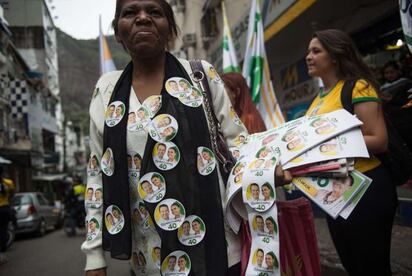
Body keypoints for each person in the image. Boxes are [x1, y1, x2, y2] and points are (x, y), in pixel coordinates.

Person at [82, 1, 291, 275]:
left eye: (154, 12)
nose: (143, 18)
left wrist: (264, 171)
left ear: (170, 28)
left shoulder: (200, 75)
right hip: (149, 258)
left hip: (218, 247)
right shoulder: (106, 90)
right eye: (130, 12)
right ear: (118, 32)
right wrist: (94, 255)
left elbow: (238, 142)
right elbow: (97, 172)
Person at [305, 29, 397, 275]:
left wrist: (328, 142)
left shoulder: (358, 87)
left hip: (366, 190)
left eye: (316, 51)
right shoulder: (318, 99)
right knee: (353, 267)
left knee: (372, 268)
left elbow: (379, 139)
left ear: (335, 55)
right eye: (308, 51)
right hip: (335, 196)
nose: (308, 57)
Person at [0, 167, 14, 265]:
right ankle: (1, 255)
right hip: (4, 209)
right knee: (3, 231)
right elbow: (12, 194)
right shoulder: (8, 183)